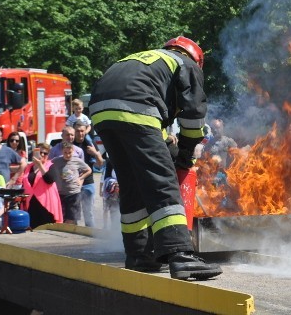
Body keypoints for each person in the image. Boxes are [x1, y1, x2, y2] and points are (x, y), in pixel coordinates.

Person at [89, 36, 222, 280]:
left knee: (133, 185)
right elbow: (193, 119)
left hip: (100, 111)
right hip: (136, 108)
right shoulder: (186, 64)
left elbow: (154, 125)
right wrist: (185, 152)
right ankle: (180, 255)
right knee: (162, 181)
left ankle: (139, 255)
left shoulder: (148, 59)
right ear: (197, 59)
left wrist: (169, 148)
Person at [44, 142, 91, 225]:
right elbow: (47, 166)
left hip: (73, 193)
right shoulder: (56, 161)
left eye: (69, 153)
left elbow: (88, 170)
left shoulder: (77, 161)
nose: (67, 155)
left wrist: (80, 179)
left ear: (73, 151)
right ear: (62, 151)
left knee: (72, 218)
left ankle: (72, 233)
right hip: (60, 193)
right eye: (65, 153)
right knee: (62, 217)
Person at [20, 143, 62, 228]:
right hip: (31, 203)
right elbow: (24, 183)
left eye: (45, 153)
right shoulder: (28, 167)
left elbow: (49, 180)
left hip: (46, 204)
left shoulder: (51, 165)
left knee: (47, 229)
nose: (42, 155)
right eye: (40, 152)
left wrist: (40, 165)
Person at [73, 120, 103, 227]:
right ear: (74, 131)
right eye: (77, 131)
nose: (80, 133)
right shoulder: (70, 144)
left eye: (82, 131)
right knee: (73, 214)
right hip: (73, 184)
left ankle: (91, 238)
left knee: (88, 213)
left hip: (88, 183)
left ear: (86, 130)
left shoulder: (90, 143)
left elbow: (100, 164)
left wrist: (95, 153)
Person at [101, 157, 120, 230]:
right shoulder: (110, 162)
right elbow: (105, 178)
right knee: (111, 210)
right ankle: (112, 227)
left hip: (121, 192)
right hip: (111, 191)